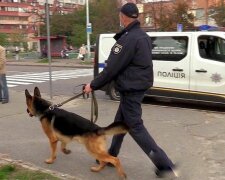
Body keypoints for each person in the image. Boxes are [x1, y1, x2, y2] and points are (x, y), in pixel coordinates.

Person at [84, 2, 178, 178]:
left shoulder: (127, 39)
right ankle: (111, 156)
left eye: (120, 15)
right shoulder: (143, 36)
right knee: (121, 123)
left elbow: (112, 68)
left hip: (130, 90)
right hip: (138, 87)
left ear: (123, 16)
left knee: (135, 127)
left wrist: (93, 85)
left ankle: (165, 164)